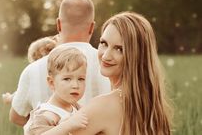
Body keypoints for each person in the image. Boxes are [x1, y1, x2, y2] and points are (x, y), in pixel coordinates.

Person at [43, 11, 173, 135]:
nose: (106, 55)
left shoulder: (102, 106)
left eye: (119, 49)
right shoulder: (153, 107)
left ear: (137, 56)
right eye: (103, 43)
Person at [10, 0, 110, 126]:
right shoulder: (109, 65)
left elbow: (16, 117)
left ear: (58, 24)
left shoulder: (32, 69)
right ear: (92, 27)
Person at [24, 45, 88, 135]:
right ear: (51, 82)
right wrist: (67, 125)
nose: (75, 85)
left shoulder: (76, 108)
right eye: (67, 79)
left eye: (81, 79)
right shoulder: (45, 115)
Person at [2, 36, 57, 105]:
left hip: (41, 111)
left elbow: (21, 95)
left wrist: (9, 98)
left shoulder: (35, 75)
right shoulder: (61, 71)